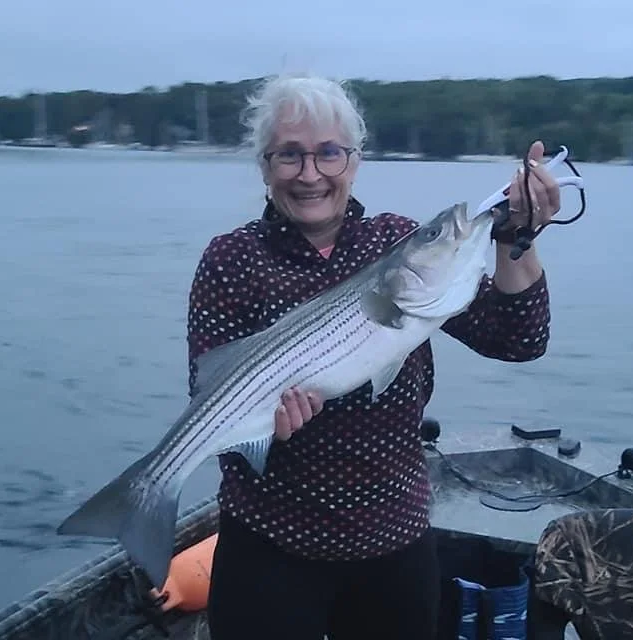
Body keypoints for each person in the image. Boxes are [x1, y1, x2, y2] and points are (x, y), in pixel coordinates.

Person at [185, 72, 562, 640]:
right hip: (268, 547)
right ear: (265, 168)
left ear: (354, 161)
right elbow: (211, 401)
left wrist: (517, 238)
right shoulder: (232, 260)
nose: (310, 174)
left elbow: (519, 339)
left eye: (329, 153)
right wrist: (265, 427)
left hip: (393, 545)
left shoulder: (395, 244)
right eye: (290, 155)